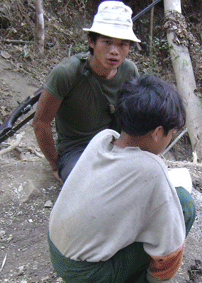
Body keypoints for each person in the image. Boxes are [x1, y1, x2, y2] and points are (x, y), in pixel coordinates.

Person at [47, 74, 196, 283]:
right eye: (170, 134)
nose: (169, 140)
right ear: (157, 132)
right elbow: (170, 251)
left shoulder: (103, 139)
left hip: (57, 250)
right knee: (184, 205)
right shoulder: (151, 168)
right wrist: (154, 281)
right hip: (87, 274)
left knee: (156, 210)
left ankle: (115, 280)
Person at [33, 1, 140, 183]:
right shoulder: (67, 73)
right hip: (76, 149)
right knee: (87, 184)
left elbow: (130, 116)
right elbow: (41, 122)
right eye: (107, 42)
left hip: (114, 142)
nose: (114, 51)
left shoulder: (129, 71)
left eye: (122, 44)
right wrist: (55, 164)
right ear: (92, 41)